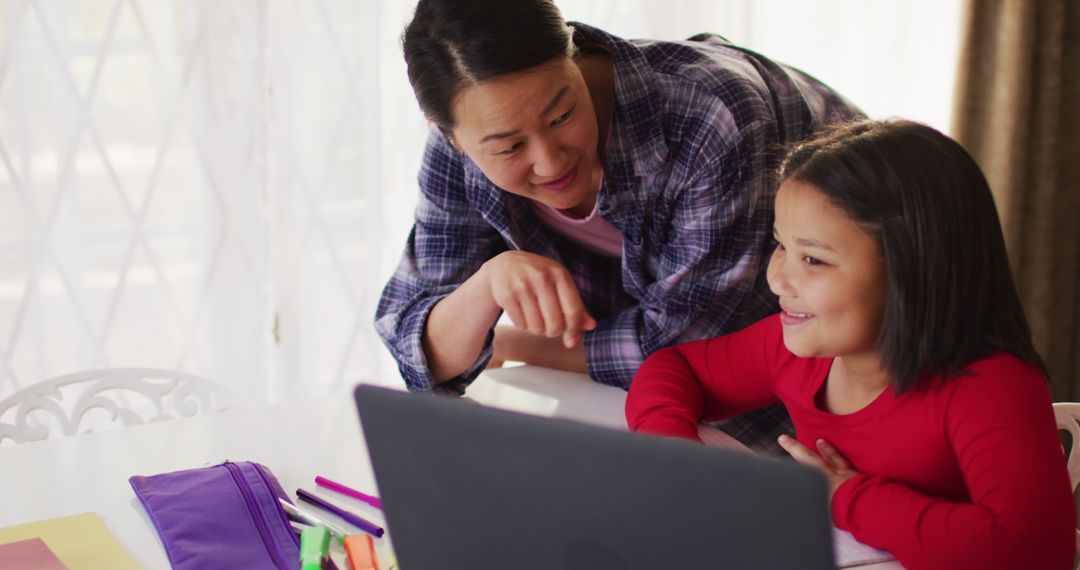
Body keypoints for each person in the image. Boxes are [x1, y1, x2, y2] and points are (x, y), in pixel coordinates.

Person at [375, 0, 861, 449]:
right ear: (452, 138)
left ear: (573, 51)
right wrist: (488, 285)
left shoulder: (712, 116)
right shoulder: (457, 155)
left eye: (562, 114)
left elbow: (685, 350)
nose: (548, 163)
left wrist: (515, 343)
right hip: (642, 397)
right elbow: (414, 349)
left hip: (852, 369)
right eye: (509, 148)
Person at [625, 119, 1075, 568]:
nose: (777, 278)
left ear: (908, 273)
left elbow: (1036, 552)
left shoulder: (993, 386)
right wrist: (676, 457)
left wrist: (844, 496)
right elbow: (675, 368)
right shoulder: (795, 349)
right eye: (781, 246)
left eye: (813, 259)